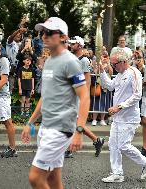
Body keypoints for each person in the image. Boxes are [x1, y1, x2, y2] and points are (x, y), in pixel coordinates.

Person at [21, 17, 90, 189]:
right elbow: (46, 97)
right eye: (43, 32)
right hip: (46, 127)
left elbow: (85, 97)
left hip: (60, 130)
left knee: (35, 178)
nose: (44, 36)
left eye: (49, 32)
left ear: (63, 37)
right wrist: (30, 123)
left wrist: (79, 131)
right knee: (53, 180)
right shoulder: (49, 61)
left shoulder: (71, 62)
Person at [99, 48, 146, 183]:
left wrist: (119, 107)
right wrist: (101, 71)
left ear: (123, 61)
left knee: (123, 145)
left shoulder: (134, 73)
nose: (113, 66)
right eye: (112, 64)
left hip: (129, 118)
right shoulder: (119, 74)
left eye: (114, 64)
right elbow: (110, 86)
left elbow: (137, 95)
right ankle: (117, 173)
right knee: (113, 144)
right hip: (118, 117)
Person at [64, 36, 105, 158]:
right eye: (70, 43)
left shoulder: (84, 61)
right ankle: (96, 140)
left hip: (78, 96)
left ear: (80, 46)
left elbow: (87, 80)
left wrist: (84, 97)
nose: (71, 45)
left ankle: (92, 141)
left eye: (73, 44)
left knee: (75, 122)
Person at [6, 27, 26, 93]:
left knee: (20, 90)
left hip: (20, 68)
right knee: (9, 89)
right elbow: (11, 37)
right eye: (17, 34)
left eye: (20, 34)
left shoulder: (21, 44)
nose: (19, 35)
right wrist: (18, 30)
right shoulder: (10, 42)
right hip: (11, 69)